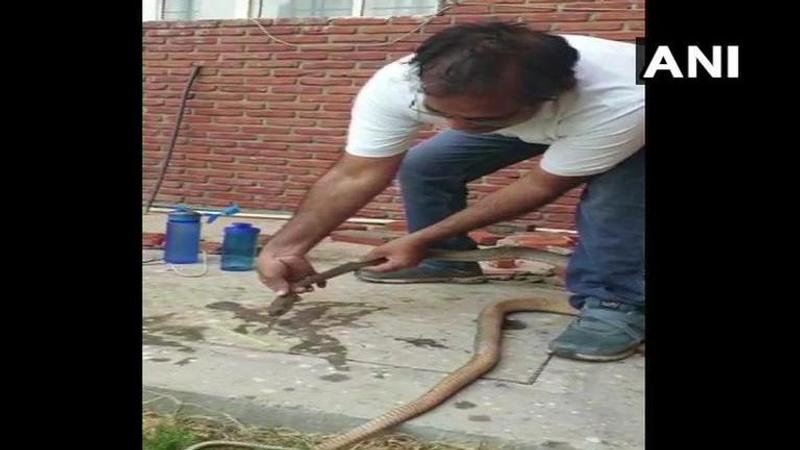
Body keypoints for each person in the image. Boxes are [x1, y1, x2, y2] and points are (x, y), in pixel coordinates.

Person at [256, 21, 644, 362]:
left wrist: (420, 238)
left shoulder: (622, 99)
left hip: (631, 116)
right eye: (440, 113)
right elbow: (355, 174)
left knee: (619, 199)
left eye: (479, 118)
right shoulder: (400, 84)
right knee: (428, 164)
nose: (455, 126)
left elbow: (541, 185)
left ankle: (617, 302)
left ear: (549, 96)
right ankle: (449, 261)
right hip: (555, 118)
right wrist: (285, 247)